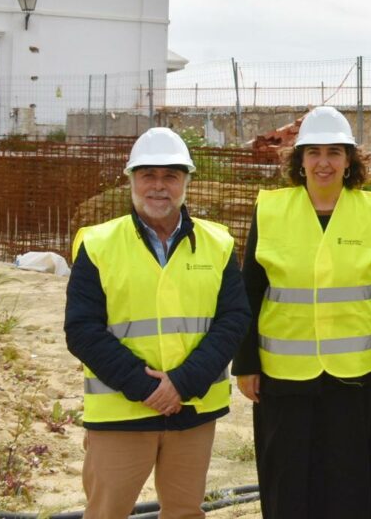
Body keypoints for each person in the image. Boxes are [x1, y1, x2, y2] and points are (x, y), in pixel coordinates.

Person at [232, 106, 371, 519]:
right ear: (299, 160)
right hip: (283, 375)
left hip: (354, 374)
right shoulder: (272, 210)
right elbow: (251, 289)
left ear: (350, 160)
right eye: (313, 152)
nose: (323, 162)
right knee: (288, 481)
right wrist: (245, 363)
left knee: (352, 482)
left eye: (334, 152)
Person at [64, 127, 250, 519]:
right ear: (131, 180)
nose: (159, 186)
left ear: (186, 181)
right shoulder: (98, 244)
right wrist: (146, 387)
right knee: (106, 512)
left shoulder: (218, 244)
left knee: (184, 511)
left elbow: (233, 320)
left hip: (192, 408)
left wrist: (182, 383)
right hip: (121, 410)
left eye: (171, 176)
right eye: (148, 175)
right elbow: (82, 330)